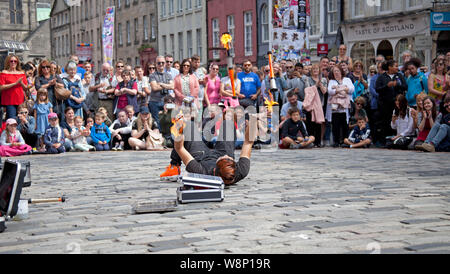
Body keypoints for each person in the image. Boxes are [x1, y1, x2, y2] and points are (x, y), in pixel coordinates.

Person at [161, 111, 256, 185]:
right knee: (228, 123)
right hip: (220, 156)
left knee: (189, 126)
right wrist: (253, 121)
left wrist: (180, 130)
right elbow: (248, 143)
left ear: (216, 168)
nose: (227, 155)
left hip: (201, 156)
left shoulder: (201, 172)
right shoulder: (240, 171)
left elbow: (180, 148)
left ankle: (174, 166)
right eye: (229, 158)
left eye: (225, 158)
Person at [376, 60, 407, 145]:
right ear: (389, 67)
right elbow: (377, 89)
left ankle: (396, 140)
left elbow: (405, 86)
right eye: (395, 66)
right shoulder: (382, 77)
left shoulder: (399, 76)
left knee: (396, 121)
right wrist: (387, 86)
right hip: (384, 104)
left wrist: (396, 85)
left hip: (397, 104)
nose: (397, 68)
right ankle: (384, 141)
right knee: (385, 122)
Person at [327, 66, 354, 147]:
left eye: (337, 71)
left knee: (345, 124)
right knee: (335, 124)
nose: (336, 73)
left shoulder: (347, 80)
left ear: (341, 71)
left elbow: (351, 89)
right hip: (335, 106)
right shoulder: (331, 81)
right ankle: (336, 141)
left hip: (345, 106)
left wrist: (338, 89)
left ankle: (345, 140)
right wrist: (343, 88)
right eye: (334, 71)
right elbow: (330, 91)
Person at [303, 64, 327, 147]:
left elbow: (324, 92)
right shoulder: (308, 79)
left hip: (320, 104)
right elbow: (307, 90)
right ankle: (311, 141)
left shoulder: (323, 79)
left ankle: (318, 142)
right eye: (314, 69)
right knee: (310, 123)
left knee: (318, 123)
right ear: (311, 71)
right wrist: (315, 86)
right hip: (311, 104)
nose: (315, 70)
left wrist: (320, 85)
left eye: (317, 69)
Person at [149, 56, 174, 130]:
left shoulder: (168, 75)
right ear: (156, 64)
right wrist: (167, 85)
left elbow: (172, 86)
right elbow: (154, 88)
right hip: (154, 102)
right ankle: (158, 138)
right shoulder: (152, 75)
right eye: (159, 63)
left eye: (162, 63)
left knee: (168, 120)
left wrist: (161, 84)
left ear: (165, 63)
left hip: (166, 102)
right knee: (156, 122)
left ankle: (167, 138)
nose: (161, 64)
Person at [0, 55, 29, 120]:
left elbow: (26, 88)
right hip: (9, 100)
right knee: (11, 120)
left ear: (17, 62)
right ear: (8, 62)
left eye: (15, 61)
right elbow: (1, 87)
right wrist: (15, 83)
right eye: (11, 61)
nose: (13, 63)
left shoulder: (21, 73)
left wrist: (21, 83)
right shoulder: (4, 72)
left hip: (20, 100)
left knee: (21, 119)